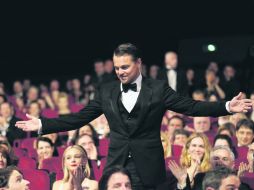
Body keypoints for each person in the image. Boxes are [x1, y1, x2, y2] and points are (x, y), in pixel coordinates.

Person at [15, 43, 253, 189]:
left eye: (125, 67)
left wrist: (227, 107)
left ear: (138, 63)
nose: (120, 72)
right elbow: (80, 118)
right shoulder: (106, 90)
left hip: (148, 166)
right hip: (116, 163)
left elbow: (191, 107)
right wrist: (42, 124)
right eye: (117, 67)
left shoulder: (158, 89)